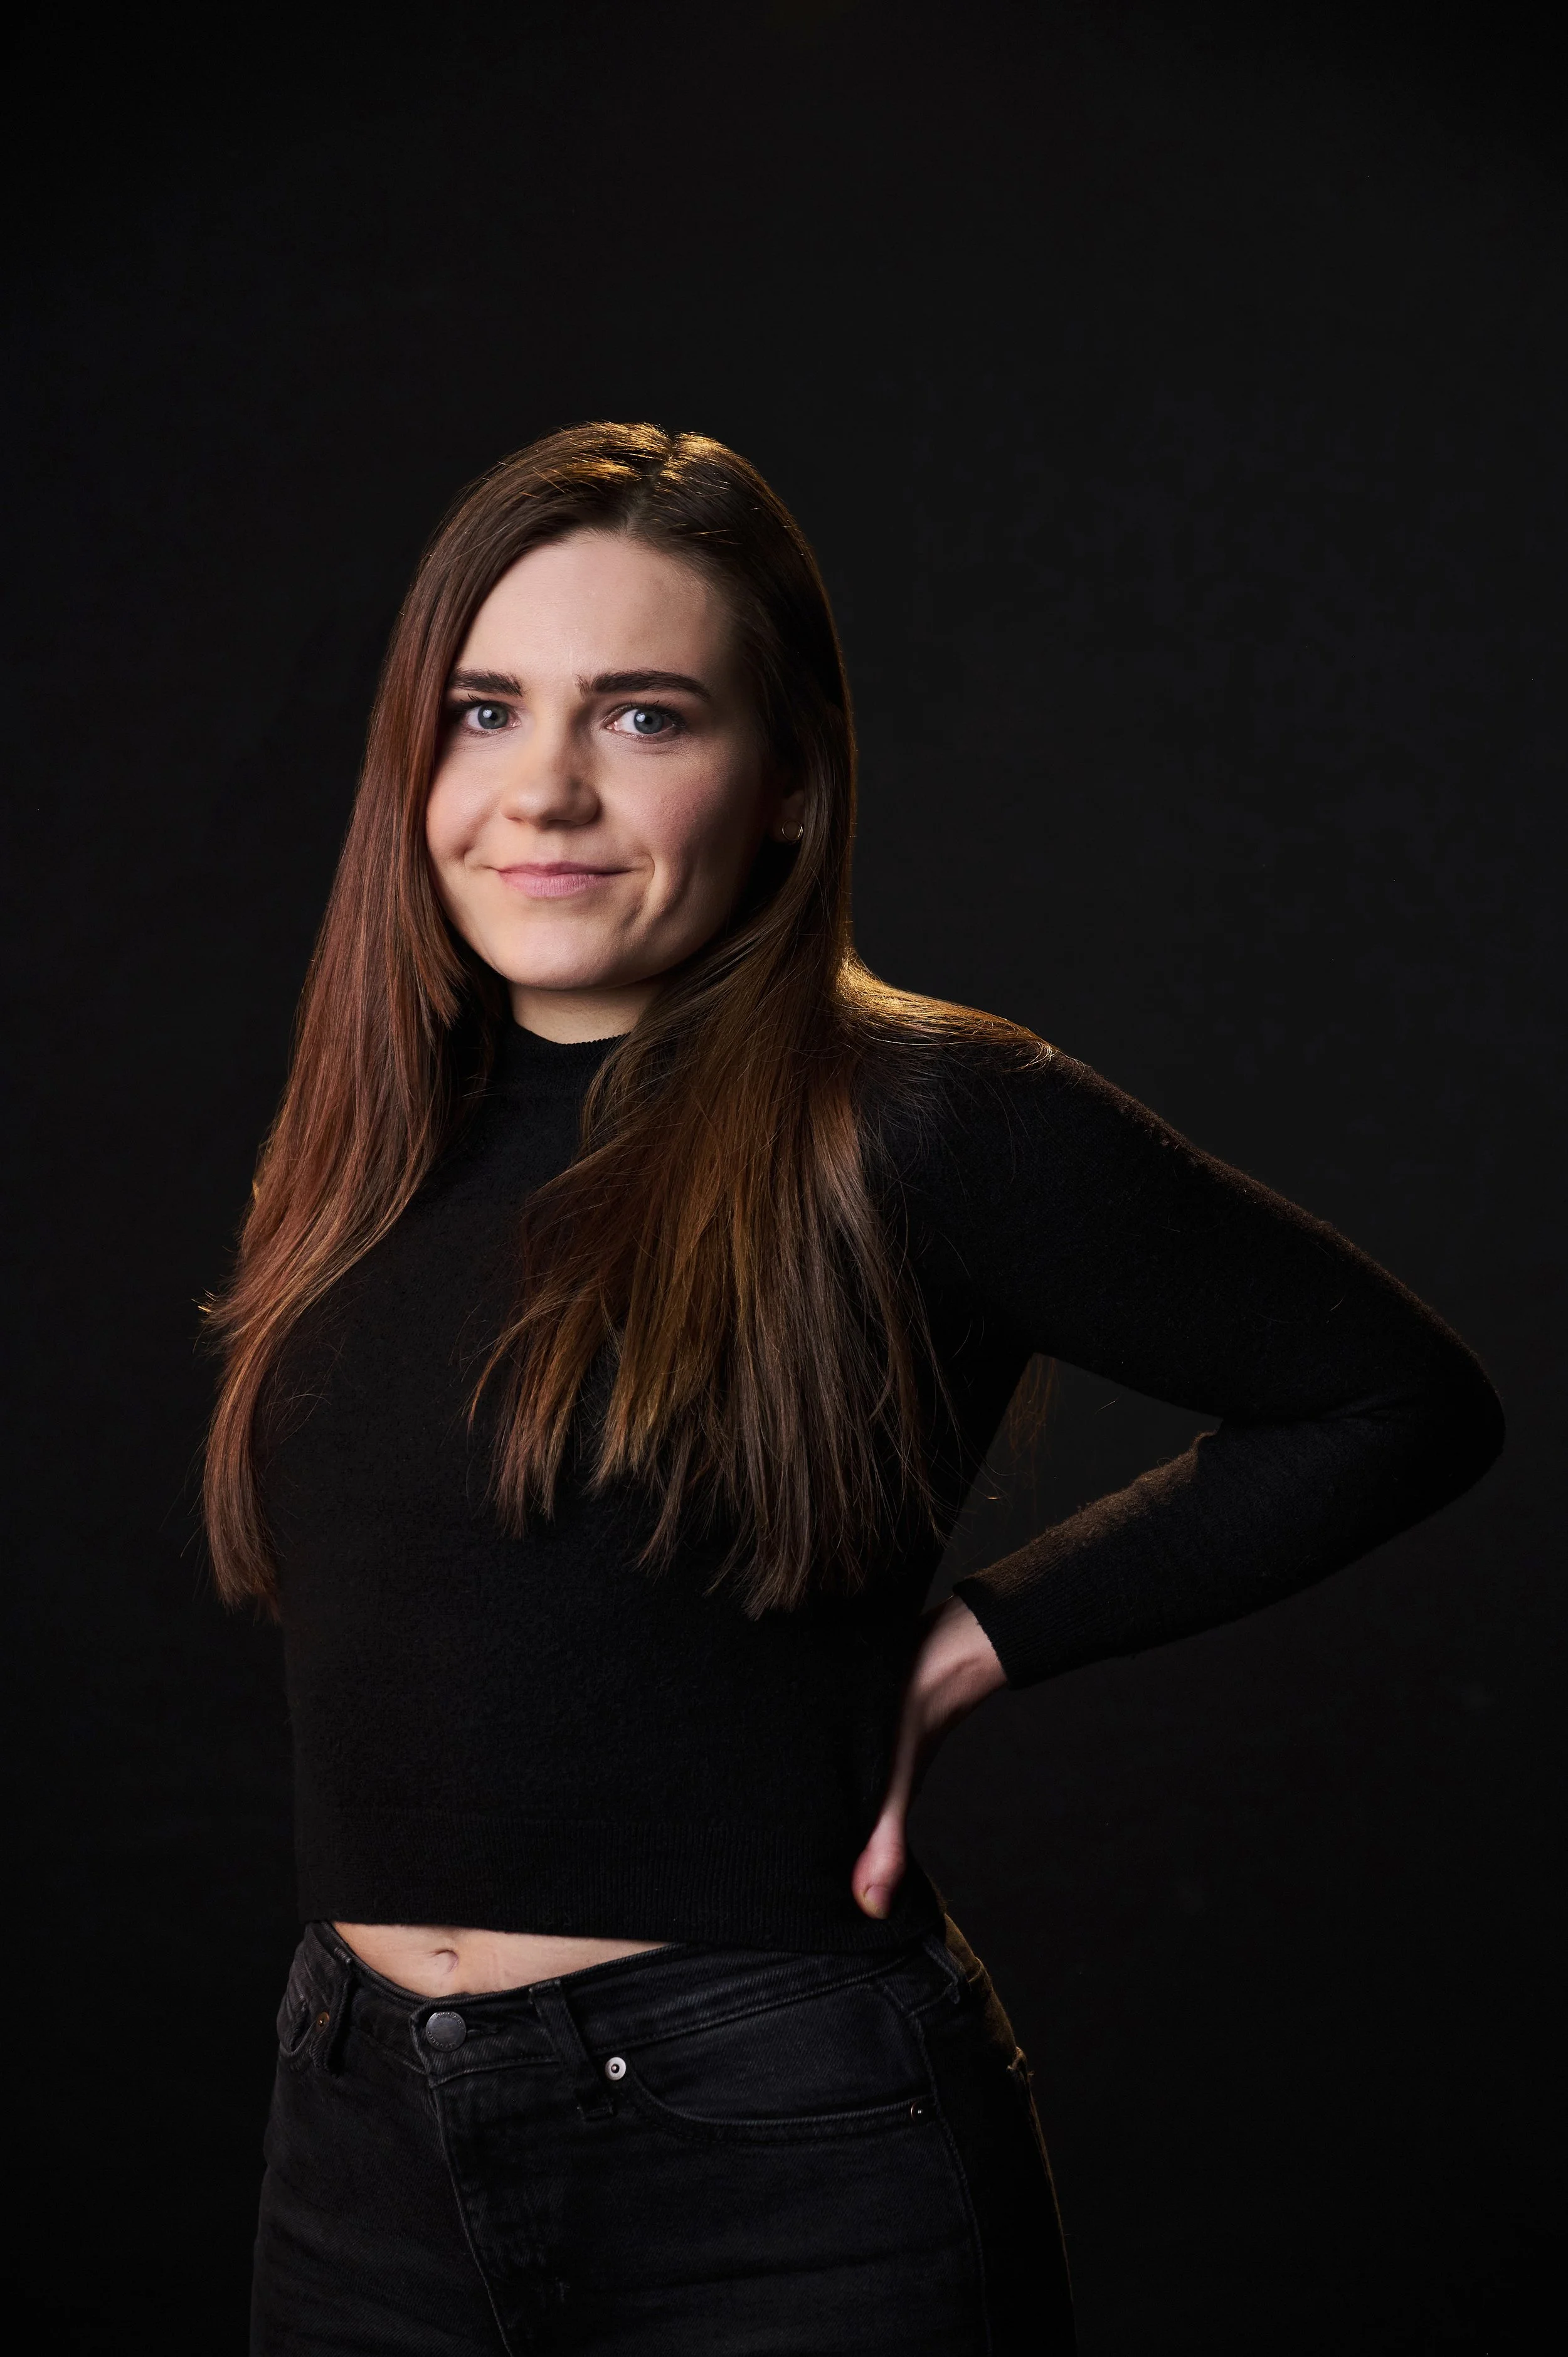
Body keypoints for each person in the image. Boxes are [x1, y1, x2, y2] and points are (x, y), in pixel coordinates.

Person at [206, 421, 1503, 2355]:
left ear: (792, 780)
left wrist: (976, 1643)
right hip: (356, 2138)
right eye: (484, 710)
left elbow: (1394, 1398)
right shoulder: (374, 1139)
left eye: (641, 715)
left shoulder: (916, 1116)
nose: (543, 787)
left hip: (772, 2153)